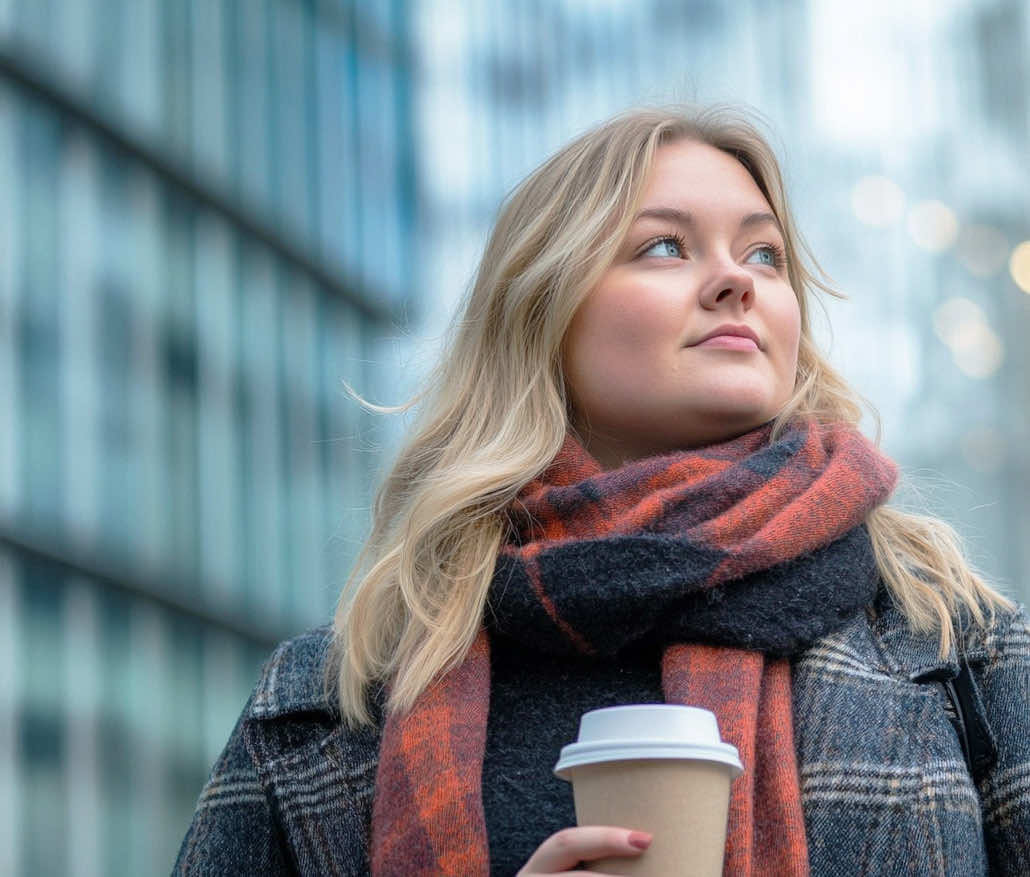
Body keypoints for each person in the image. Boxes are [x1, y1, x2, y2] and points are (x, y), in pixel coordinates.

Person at [174, 106, 1030, 876]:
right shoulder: (330, 704)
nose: (738, 281)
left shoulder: (957, 648)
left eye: (763, 252)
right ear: (546, 310)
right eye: (665, 245)